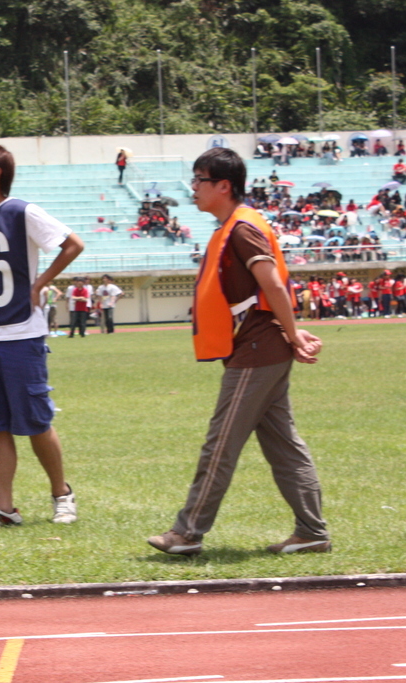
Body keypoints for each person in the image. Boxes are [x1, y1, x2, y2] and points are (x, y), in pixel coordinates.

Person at [148, 147, 329, 558]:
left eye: (199, 180)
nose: (193, 188)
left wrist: (294, 333)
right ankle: (312, 531)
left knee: (221, 441)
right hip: (256, 346)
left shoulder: (243, 229)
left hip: (257, 347)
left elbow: (274, 286)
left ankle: (188, 531)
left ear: (224, 186)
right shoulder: (231, 227)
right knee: (284, 444)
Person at [0, 143, 83, 528]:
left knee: (35, 420)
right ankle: (4, 508)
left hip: (22, 334)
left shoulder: (22, 211)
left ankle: (62, 493)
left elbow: (73, 244)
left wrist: (39, 283)